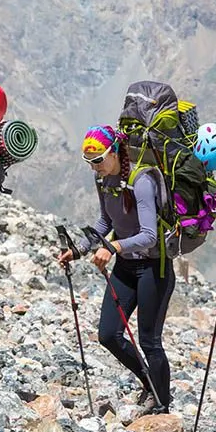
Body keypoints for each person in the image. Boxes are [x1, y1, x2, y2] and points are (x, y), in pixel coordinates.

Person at [58, 125, 175, 414]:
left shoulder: (141, 181)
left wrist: (113, 248)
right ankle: (149, 383)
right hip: (127, 266)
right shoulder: (104, 181)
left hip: (153, 267)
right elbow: (104, 223)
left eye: (98, 160)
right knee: (108, 334)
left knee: (149, 339)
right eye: (89, 162)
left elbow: (149, 234)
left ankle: (162, 402)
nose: (94, 167)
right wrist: (79, 249)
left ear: (114, 152)